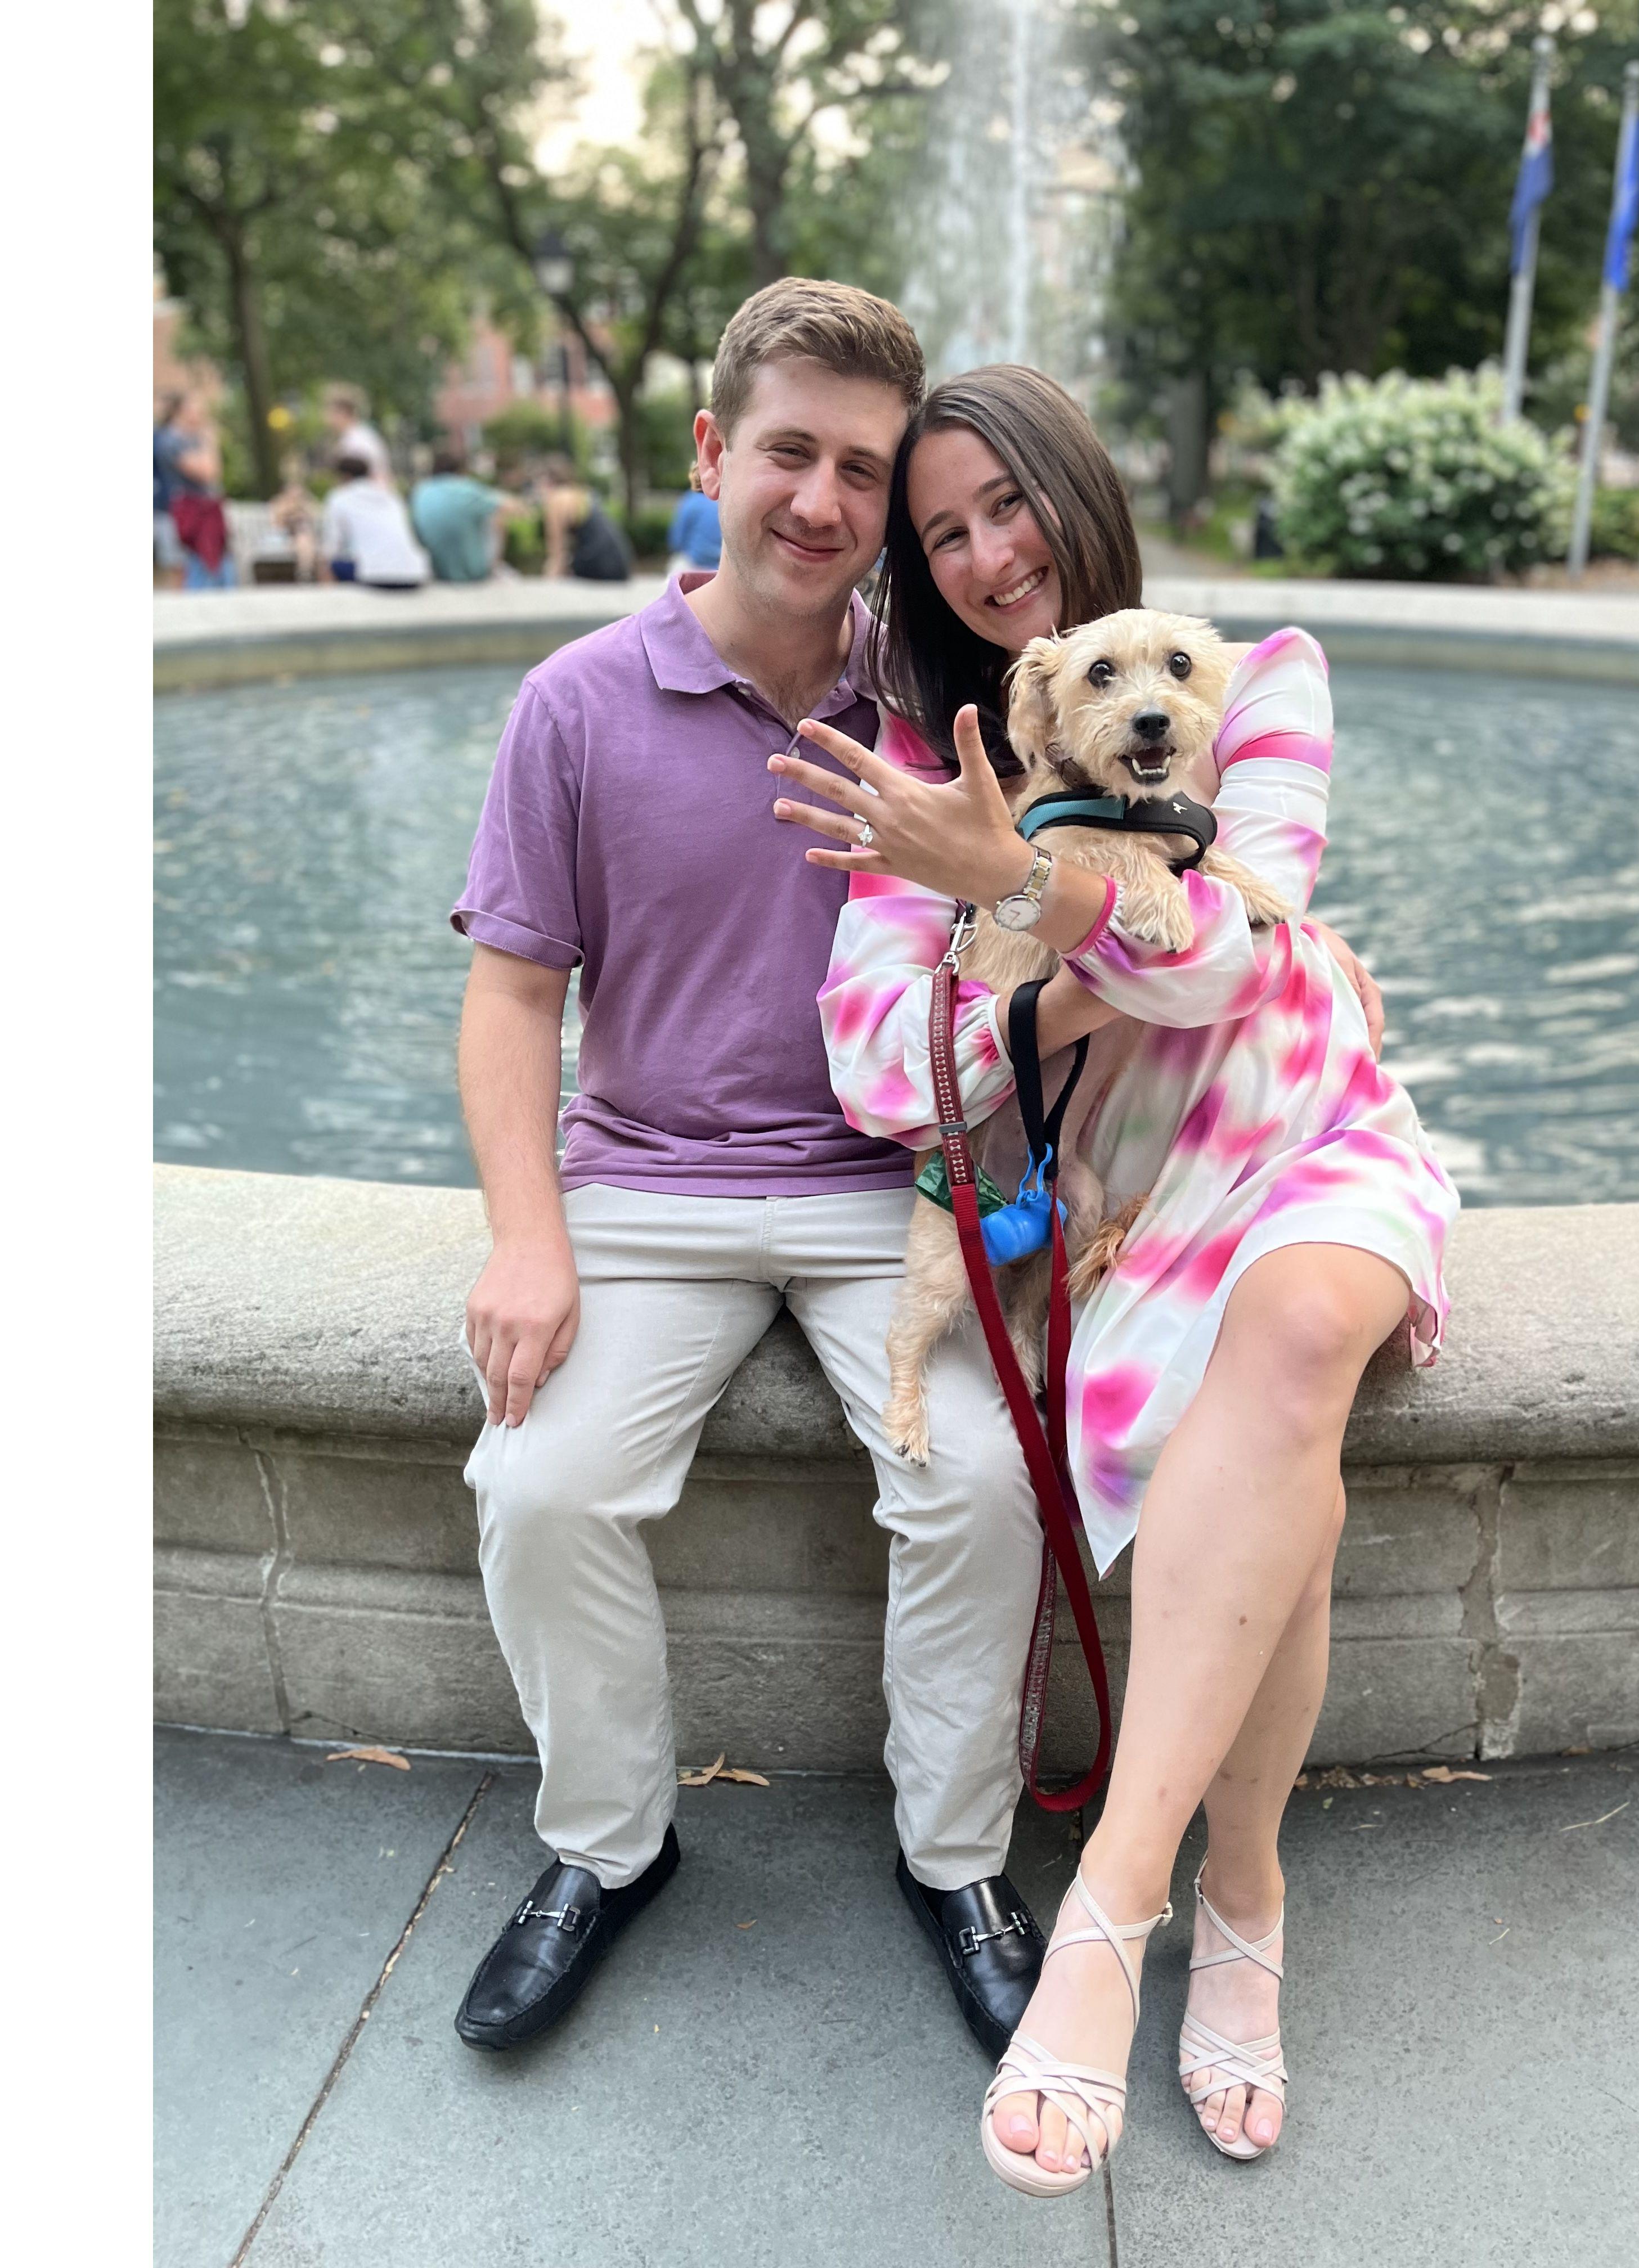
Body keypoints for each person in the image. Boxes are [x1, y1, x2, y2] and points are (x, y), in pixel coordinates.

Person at [770, 363, 1456, 2190]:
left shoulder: (1270, 673)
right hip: (1136, 1197)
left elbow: (1246, 950)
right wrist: (1053, 937)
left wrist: (1024, 905)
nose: (992, 552)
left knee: (1305, 1313)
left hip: (1303, 1126)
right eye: (945, 533)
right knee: (1273, 1394)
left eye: (1014, 503)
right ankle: (1247, 1888)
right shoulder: (933, 782)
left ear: (1081, 491)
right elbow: (871, 1069)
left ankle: (1113, 1904)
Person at [443, 278, 1059, 2063]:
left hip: (895, 1189)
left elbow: (1056, 931)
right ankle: (606, 1849)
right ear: (715, 452)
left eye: (865, 470)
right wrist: (526, 1239)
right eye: (790, 451)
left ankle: (957, 1864)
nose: (824, 501)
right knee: (538, 1485)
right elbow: (510, 999)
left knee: (989, 1494)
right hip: (644, 1187)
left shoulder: (941, 703)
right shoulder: (575, 703)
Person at [412, 448, 530, 583]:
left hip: (433, 569)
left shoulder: (421, 491)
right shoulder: (466, 489)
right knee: (496, 516)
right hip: (472, 572)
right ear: (461, 470)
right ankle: (494, 569)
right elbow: (512, 506)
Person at [318, 454, 429, 590]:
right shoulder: (391, 496)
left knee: (327, 565)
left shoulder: (339, 497)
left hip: (374, 575)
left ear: (345, 476)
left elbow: (331, 547)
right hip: (416, 574)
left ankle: (333, 606)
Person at [164, 393, 235, 591]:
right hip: (192, 514)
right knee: (196, 567)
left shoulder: (194, 439)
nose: (201, 415)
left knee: (218, 566)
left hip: (209, 511)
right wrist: (210, 442)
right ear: (182, 412)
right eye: (196, 409)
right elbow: (208, 473)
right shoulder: (172, 441)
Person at [535, 456, 632, 581]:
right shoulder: (582, 493)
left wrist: (548, 581)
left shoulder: (557, 499)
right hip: (620, 564)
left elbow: (557, 550)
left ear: (547, 482)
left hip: (599, 565)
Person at [154, 392, 191, 588]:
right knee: (175, 561)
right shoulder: (163, 438)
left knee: (178, 561)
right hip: (165, 506)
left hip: (174, 506)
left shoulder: (169, 437)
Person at [322, 384, 392, 487]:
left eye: (330, 412)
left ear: (342, 413)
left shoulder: (355, 441)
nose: (327, 419)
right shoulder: (362, 435)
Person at [666, 480, 724, 574]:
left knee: (675, 567)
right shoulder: (723, 502)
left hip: (694, 562)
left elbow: (677, 540)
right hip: (719, 565)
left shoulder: (691, 501)